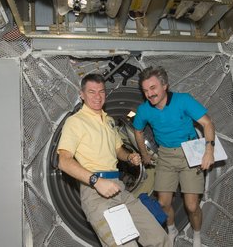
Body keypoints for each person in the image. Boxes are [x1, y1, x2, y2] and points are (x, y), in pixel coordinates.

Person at [57, 73, 170, 247]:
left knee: (160, 239)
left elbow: (117, 149)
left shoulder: (108, 121)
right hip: (96, 193)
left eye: (101, 91)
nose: (97, 96)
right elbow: (63, 161)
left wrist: (129, 157)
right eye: (92, 92)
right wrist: (96, 181)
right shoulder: (75, 122)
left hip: (120, 189)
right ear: (82, 94)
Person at [133, 66, 215, 247]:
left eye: (153, 88)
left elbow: (207, 123)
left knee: (192, 206)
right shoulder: (144, 110)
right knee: (163, 203)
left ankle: (197, 234)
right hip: (165, 155)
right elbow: (138, 131)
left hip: (190, 152)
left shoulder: (183, 100)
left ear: (165, 86)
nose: (149, 94)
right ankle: (172, 230)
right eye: (145, 90)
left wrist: (209, 150)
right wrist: (144, 154)